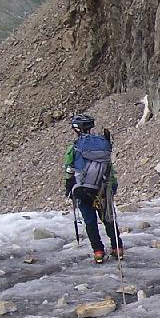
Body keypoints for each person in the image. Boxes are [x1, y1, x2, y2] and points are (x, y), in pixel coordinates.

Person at [64, 113, 124, 264]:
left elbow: (69, 169)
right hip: (102, 189)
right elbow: (109, 169)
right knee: (108, 218)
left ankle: (98, 252)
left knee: (90, 221)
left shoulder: (74, 148)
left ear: (76, 129)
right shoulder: (103, 146)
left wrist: (69, 188)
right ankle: (117, 248)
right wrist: (112, 187)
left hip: (82, 190)